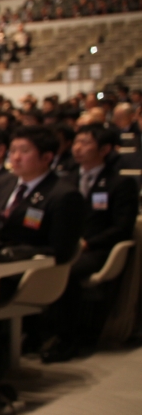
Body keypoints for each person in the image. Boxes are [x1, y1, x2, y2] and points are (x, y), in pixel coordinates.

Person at [37, 124, 139, 362]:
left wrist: (88, 243)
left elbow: (121, 228)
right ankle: (38, 332)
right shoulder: (66, 180)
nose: (78, 148)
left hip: (97, 249)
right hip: (66, 245)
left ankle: (67, 338)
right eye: (77, 142)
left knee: (67, 271)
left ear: (105, 149)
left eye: (86, 143)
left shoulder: (119, 183)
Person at [0, 125, 86, 307]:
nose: (16, 157)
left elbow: (61, 250)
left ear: (47, 157)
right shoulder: (4, 183)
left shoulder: (63, 194)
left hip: (25, 272)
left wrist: (14, 254)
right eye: (13, 150)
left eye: (24, 151)